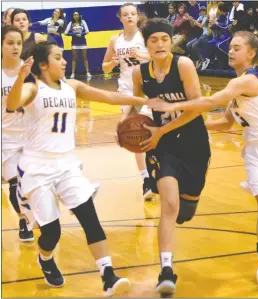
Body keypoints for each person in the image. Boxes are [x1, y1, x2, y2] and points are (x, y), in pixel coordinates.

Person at [6, 40, 150, 295]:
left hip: (67, 165)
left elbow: (108, 96)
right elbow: (11, 103)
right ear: (43, 64)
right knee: (51, 233)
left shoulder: (72, 86)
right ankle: (46, 258)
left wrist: (144, 99)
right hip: (37, 168)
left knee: (90, 218)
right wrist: (19, 78)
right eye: (58, 57)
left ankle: (108, 274)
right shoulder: (32, 88)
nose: (64, 61)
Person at [148, 30, 258, 288]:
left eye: (236, 47)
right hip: (255, 151)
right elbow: (223, 122)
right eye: (230, 47)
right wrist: (183, 125)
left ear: (251, 53)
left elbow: (211, 100)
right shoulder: (237, 84)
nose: (230, 51)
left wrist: (172, 107)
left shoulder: (249, 80)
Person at [132, 18, 211, 295]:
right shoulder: (140, 73)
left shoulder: (184, 65)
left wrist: (167, 115)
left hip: (194, 144)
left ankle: (185, 208)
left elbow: (197, 106)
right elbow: (136, 105)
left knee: (184, 212)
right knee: (169, 205)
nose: (160, 44)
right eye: (153, 40)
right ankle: (166, 270)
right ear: (147, 44)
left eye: (164, 38)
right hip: (162, 145)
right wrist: (129, 127)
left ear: (171, 40)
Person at [102, 3, 154, 200]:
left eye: (133, 13)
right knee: (136, 133)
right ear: (120, 18)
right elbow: (105, 67)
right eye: (126, 14)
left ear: (137, 16)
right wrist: (113, 62)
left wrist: (141, 55)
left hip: (148, 86)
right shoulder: (115, 39)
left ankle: (159, 168)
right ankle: (146, 179)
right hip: (126, 89)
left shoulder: (145, 36)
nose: (130, 16)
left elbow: (159, 56)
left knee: (154, 131)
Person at [1, 25, 35, 242]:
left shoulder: (30, 70)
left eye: (19, 43)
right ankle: (23, 219)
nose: (15, 47)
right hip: (5, 137)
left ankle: (35, 214)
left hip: (31, 135)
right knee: (15, 184)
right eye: (10, 43)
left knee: (32, 182)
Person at [64, 11, 91, 79]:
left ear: (79, 15)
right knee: (74, 58)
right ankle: (73, 73)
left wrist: (81, 34)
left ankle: (87, 72)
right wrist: (74, 34)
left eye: (77, 15)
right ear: (73, 16)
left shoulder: (83, 22)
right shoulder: (71, 23)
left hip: (82, 42)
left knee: (85, 57)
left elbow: (87, 31)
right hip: (74, 42)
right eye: (74, 15)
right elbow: (65, 33)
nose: (76, 16)